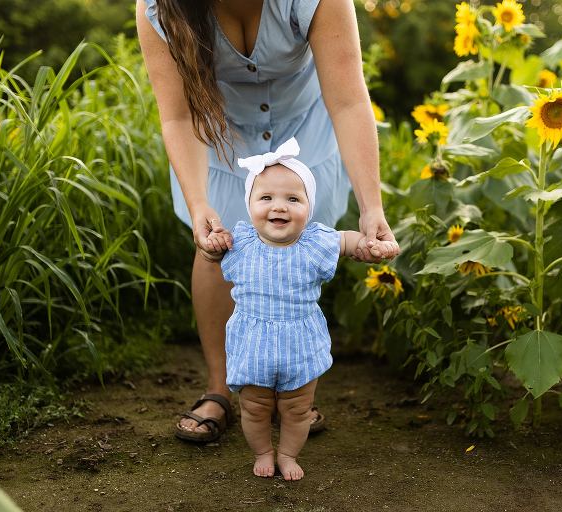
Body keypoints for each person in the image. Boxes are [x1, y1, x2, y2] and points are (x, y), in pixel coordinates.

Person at [135, 0, 400, 443]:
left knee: (299, 250)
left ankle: (293, 392)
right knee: (217, 252)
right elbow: (178, 115)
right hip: (220, 135)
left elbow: (350, 101)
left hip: (306, 129)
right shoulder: (160, 9)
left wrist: (372, 207)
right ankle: (220, 390)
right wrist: (199, 204)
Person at [202, 138, 398, 480]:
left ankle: (289, 454)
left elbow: (348, 241)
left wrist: (370, 245)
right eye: (266, 198)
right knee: (255, 406)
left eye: (293, 198)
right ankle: (263, 451)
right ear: (249, 205)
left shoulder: (316, 241)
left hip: (301, 345)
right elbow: (211, 252)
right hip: (253, 344)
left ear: (309, 207)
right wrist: (211, 245)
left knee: (298, 408)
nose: (280, 206)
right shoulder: (239, 242)